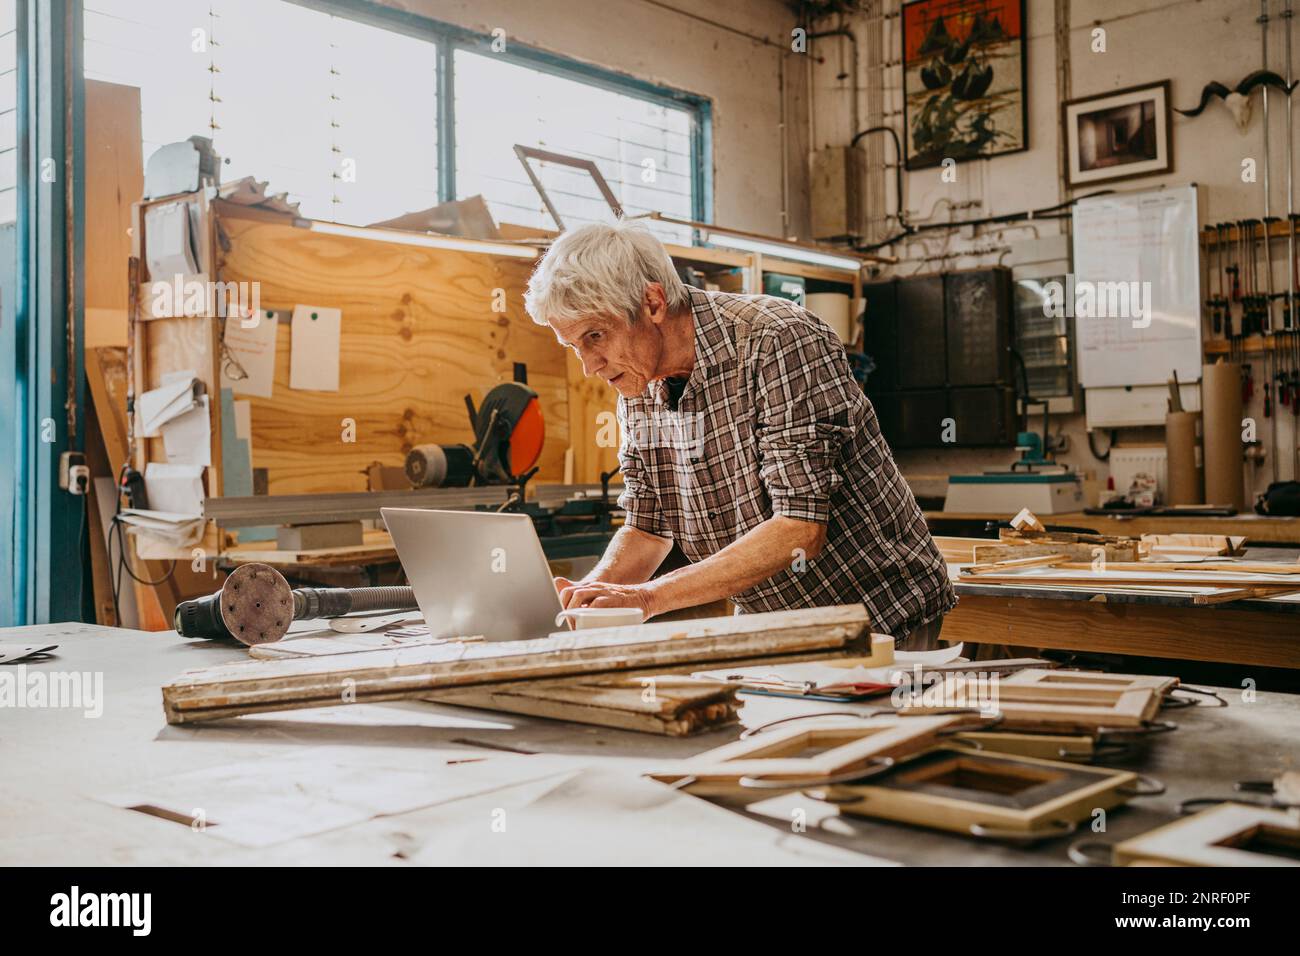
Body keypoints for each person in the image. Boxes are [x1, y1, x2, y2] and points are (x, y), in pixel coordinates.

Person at [523, 220, 955, 646]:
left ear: (652, 302)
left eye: (595, 336)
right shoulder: (638, 381)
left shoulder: (777, 340)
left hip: (878, 617)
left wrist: (645, 598)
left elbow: (799, 526)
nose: (589, 365)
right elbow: (649, 526)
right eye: (575, 346)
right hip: (772, 627)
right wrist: (588, 597)